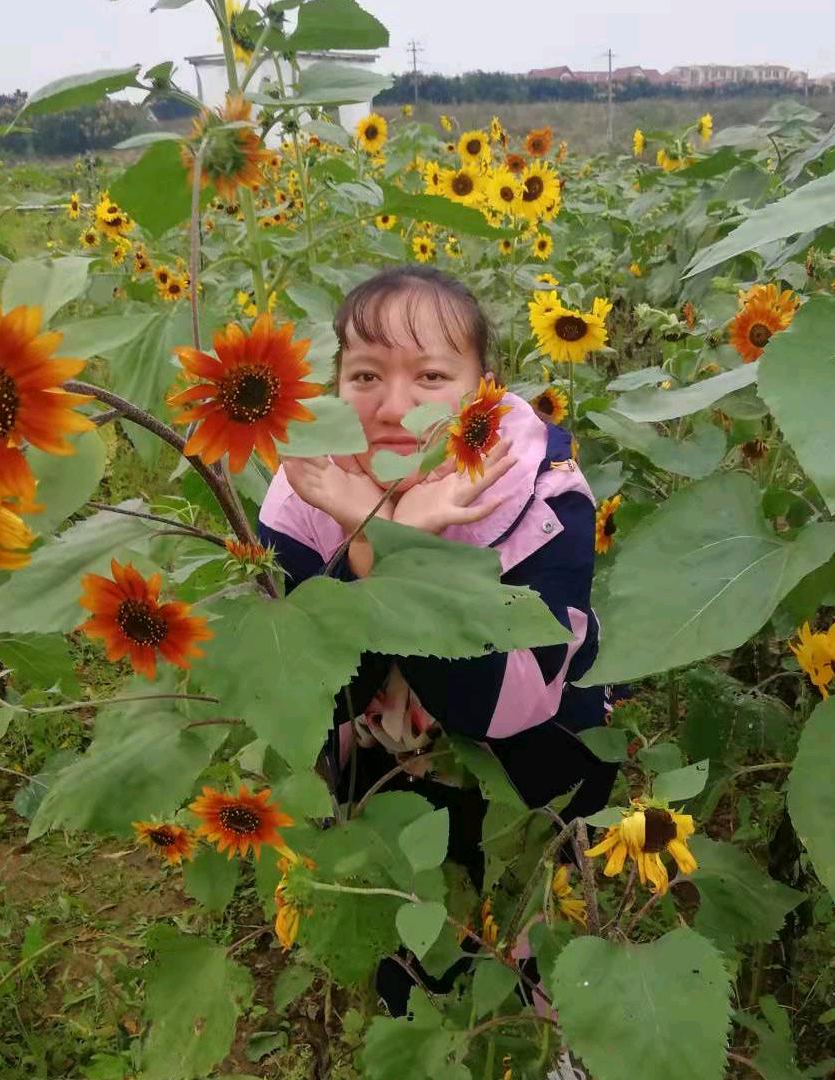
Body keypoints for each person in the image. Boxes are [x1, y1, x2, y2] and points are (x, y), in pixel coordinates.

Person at [257, 265, 614, 941]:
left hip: (531, 768)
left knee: (528, 926)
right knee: (408, 936)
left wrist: (385, 548)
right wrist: (369, 536)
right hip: (384, 766)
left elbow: (500, 709)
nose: (393, 408)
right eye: (365, 376)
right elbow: (311, 699)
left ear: (481, 392)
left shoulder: (543, 499)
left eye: (429, 377)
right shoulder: (308, 490)